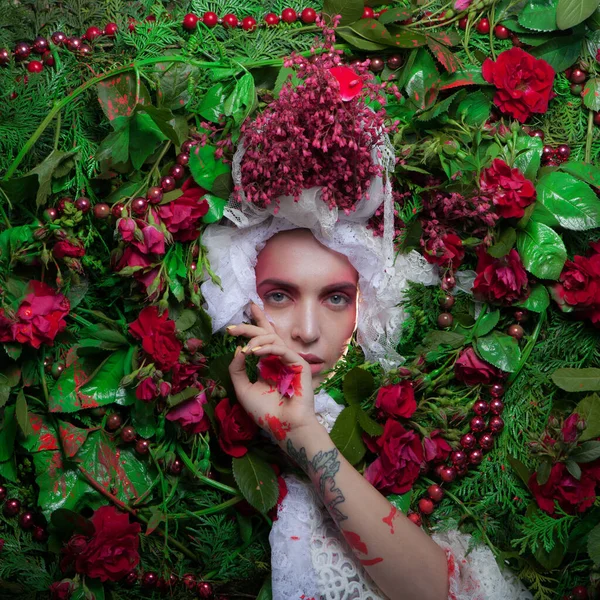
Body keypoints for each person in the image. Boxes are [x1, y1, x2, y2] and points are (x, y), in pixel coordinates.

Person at [200, 217, 534, 600]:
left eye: (337, 298)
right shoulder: (203, 434)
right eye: (279, 295)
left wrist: (302, 433)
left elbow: (435, 593)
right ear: (241, 298)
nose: (307, 331)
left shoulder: (410, 424)